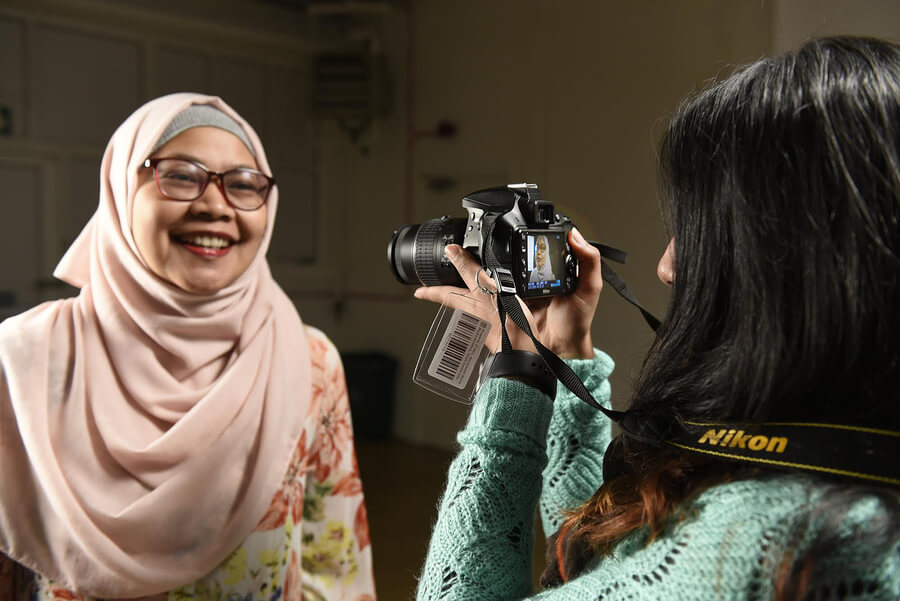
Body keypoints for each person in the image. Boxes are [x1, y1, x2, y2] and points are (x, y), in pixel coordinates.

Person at [412, 36, 900, 599]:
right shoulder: (836, 472)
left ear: (797, 263)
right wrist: (566, 362)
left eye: (699, 231)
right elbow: (604, 562)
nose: (668, 266)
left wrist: (514, 384)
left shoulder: (766, 546)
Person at [0, 94, 376, 601]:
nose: (215, 205)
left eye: (244, 184)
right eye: (179, 175)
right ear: (118, 192)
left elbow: (334, 564)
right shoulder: (20, 360)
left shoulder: (309, 361)